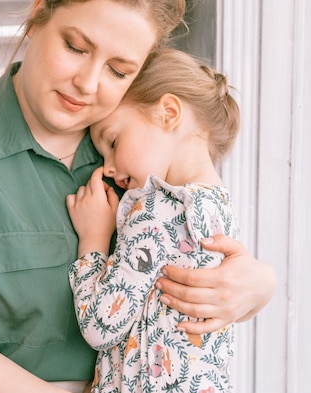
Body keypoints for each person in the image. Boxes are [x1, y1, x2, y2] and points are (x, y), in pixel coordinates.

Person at [0, 0, 277, 393]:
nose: (88, 83)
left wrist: (258, 286)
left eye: (118, 70)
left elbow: (191, 268)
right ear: (38, 14)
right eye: (76, 47)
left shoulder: (140, 153)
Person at [67, 48, 241, 393]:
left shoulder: (155, 211)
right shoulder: (219, 207)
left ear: (168, 113)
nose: (109, 168)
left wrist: (93, 240)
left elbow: (101, 325)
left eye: (113, 142)